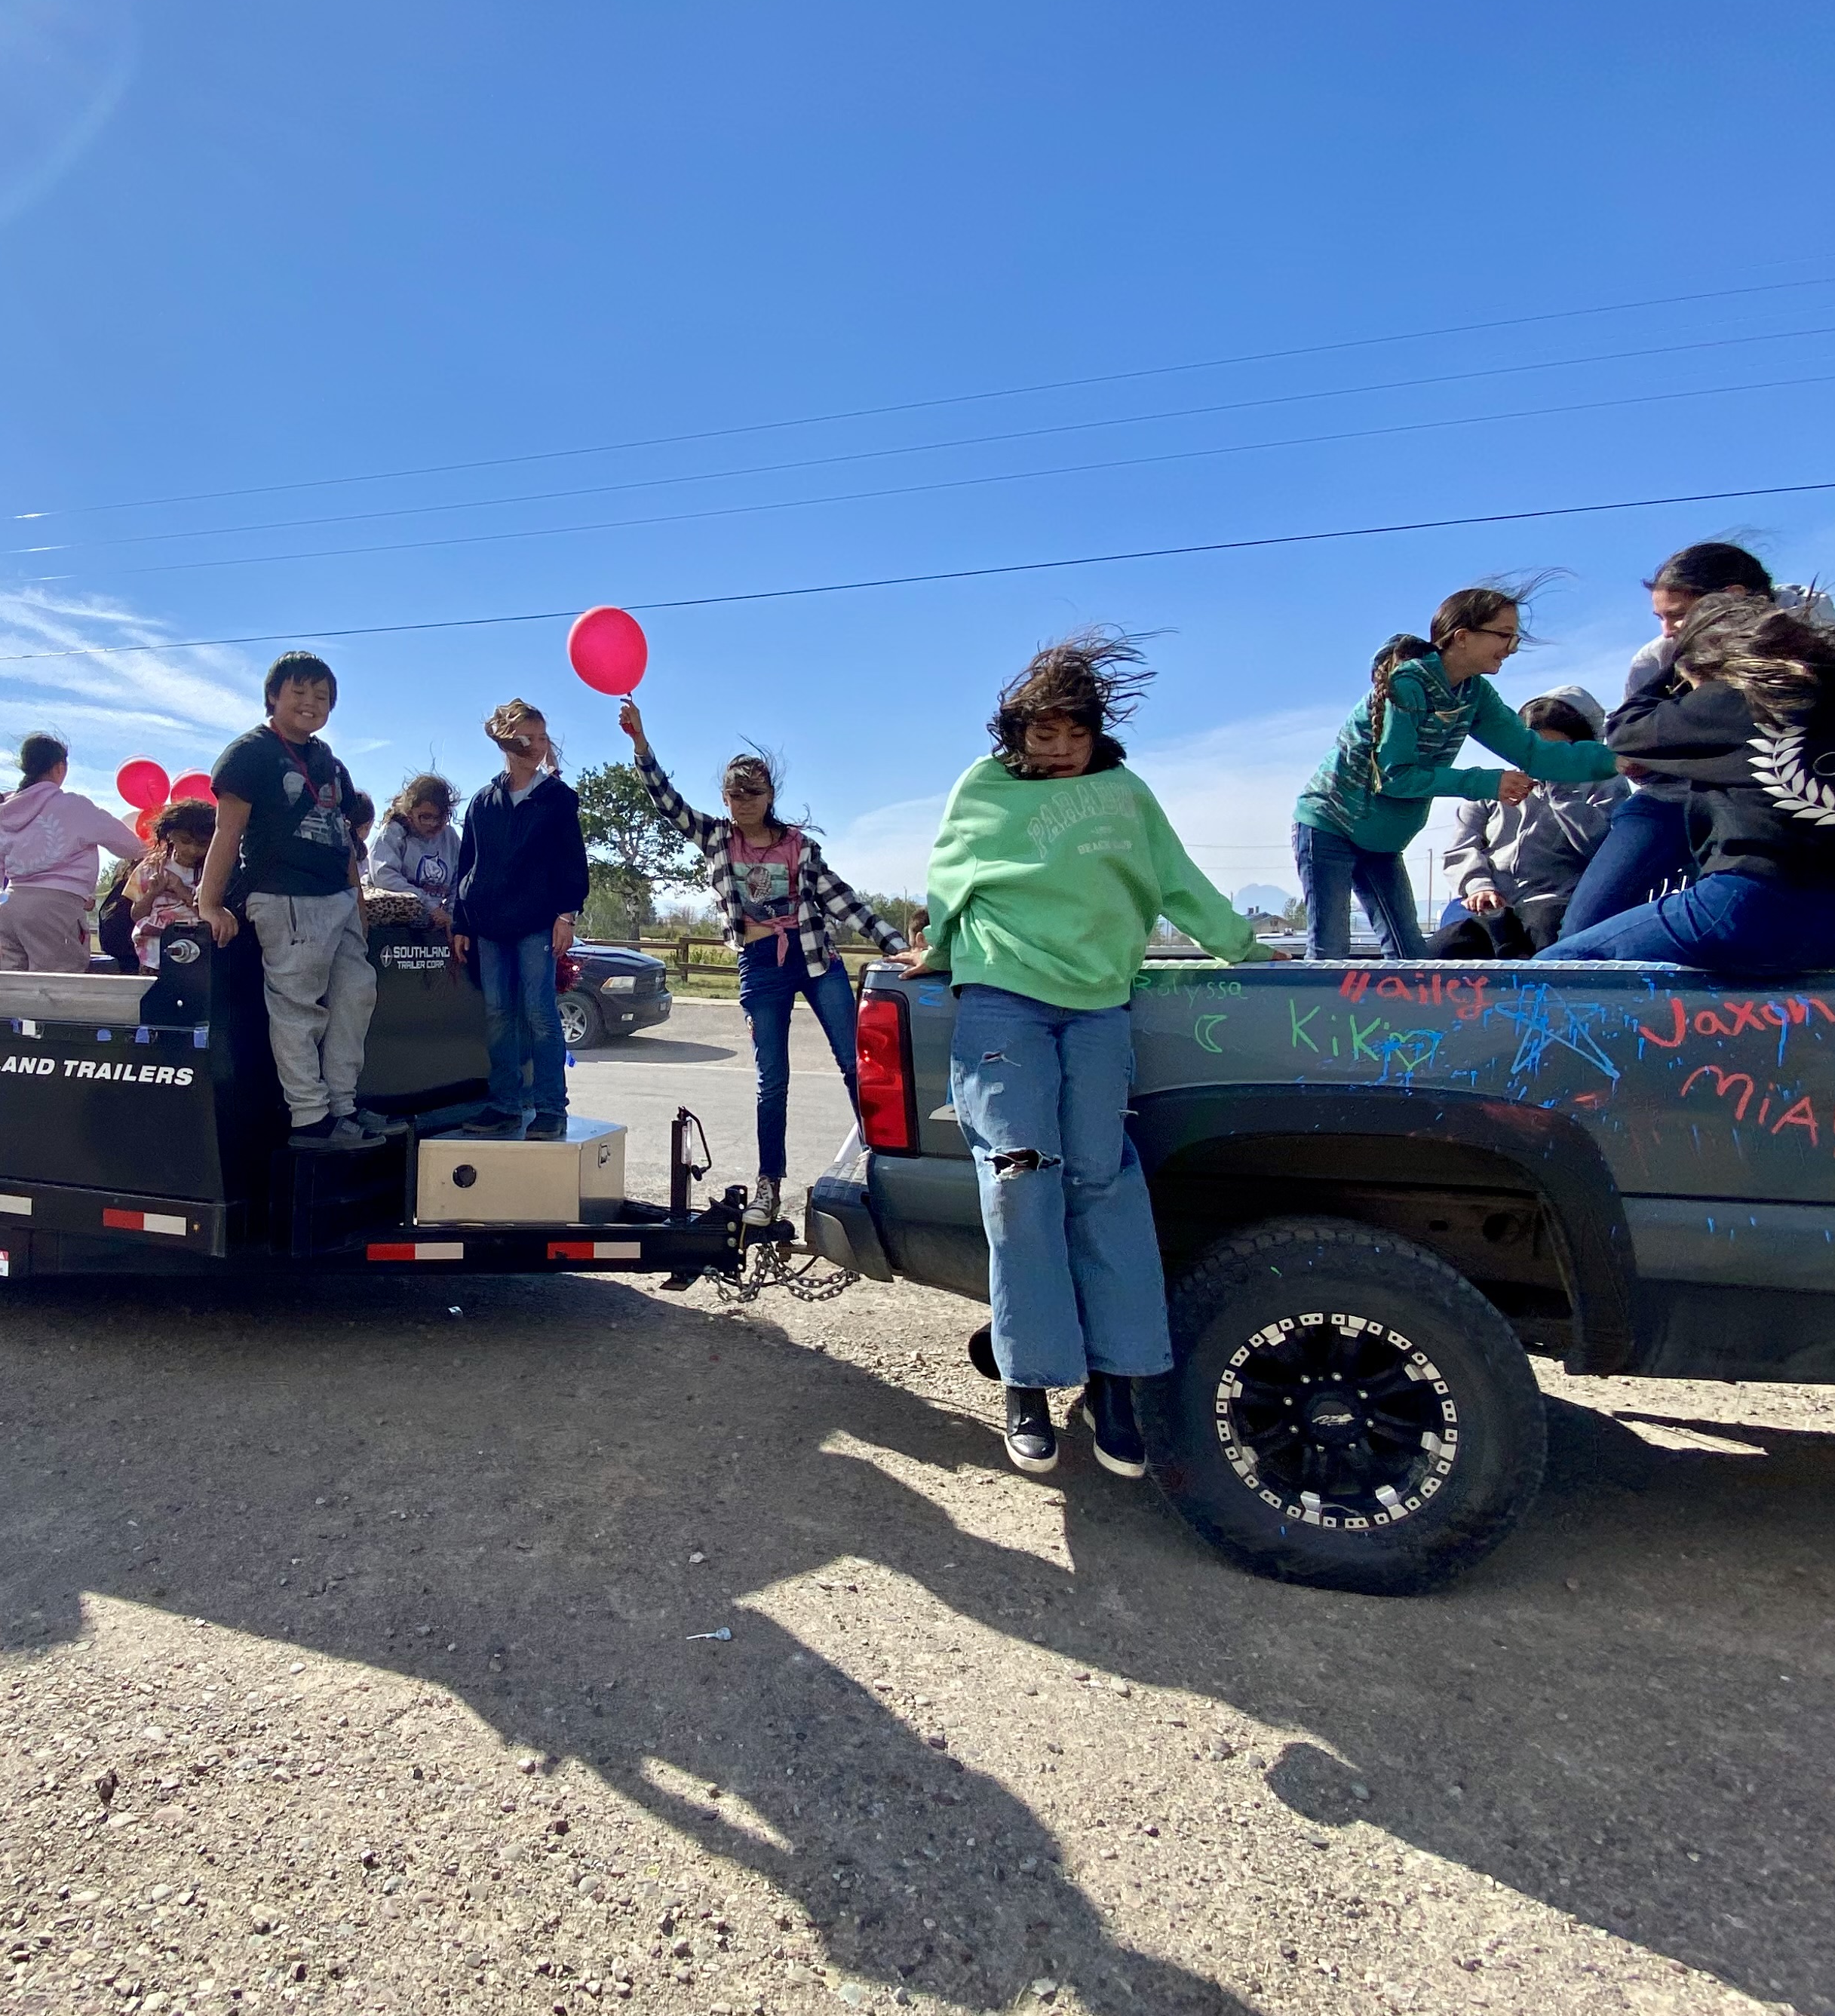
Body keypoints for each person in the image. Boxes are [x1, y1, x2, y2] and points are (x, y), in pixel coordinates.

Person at [916, 631, 1268, 1481]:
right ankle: (1030, 1382)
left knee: (1102, 1182)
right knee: (1019, 1175)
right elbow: (949, 876)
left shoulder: (1125, 792)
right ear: (1017, 733)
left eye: (1076, 734)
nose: (1062, 750)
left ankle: (1117, 1382)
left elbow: (1176, 877)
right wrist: (928, 951)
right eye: (1045, 735)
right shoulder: (985, 787)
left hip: (1100, 1003)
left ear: (1095, 732)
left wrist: (1245, 948)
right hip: (1003, 997)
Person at [618, 698, 910, 1223]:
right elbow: (667, 802)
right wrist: (641, 745)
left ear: (770, 795)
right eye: (733, 793)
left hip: (815, 959)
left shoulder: (799, 847)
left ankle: (880, 1165)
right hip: (759, 963)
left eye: (752, 792)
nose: (742, 801)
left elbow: (844, 901)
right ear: (725, 798)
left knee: (854, 1063)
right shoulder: (716, 839)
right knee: (772, 1078)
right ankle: (769, 1186)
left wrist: (895, 944)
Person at [1537, 594, 1835, 979]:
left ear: (1708, 664)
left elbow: (1625, 731)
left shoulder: (1735, 699)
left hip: (1754, 907)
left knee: (1564, 966)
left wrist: (1679, 663)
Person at [1290, 585, 1619, 958]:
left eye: (1515, 639)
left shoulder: (1473, 694)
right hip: (1331, 823)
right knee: (1330, 949)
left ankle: (1407, 1017)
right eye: (1503, 636)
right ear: (1462, 638)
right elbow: (1395, 776)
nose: (1511, 648)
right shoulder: (1408, 684)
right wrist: (1485, 782)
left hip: (1383, 837)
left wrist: (1616, 759)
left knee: (1410, 954)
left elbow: (1533, 753)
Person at [194, 655, 389, 1150]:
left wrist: (358, 904)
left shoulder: (328, 760)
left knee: (355, 997)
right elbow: (228, 830)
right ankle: (309, 1118)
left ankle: (343, 1106)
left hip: (338, 896)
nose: (311, 704)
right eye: (299, 693)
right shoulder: (250, 754)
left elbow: (343, 837)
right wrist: (210, 902)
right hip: (285, 896)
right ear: (273, 697)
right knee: (298, 1009)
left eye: (321, 697)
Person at [1558, 542, 1772, 940]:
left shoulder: (1796, 649)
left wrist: (1679, 747)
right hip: (1671, 799)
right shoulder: (1656, 659)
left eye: (1678, 616)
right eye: (1660, 617)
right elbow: (1628, 739)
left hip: (1761, 803)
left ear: (1732, 600)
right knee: (1583, 925)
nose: (1668, 630)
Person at [449, 700, 590, 1140]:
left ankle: (550, 1109)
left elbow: (572, 865)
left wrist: (566, 915)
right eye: (532, 736)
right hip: (488, 924)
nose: (541, 745)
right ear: (512, 740)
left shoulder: (558, 799)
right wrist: (460, 923)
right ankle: (504, 1105)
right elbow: (467, 863)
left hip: (536, 924)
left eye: (546, 736)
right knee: (498, 1014)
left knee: (540, 1014)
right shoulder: (483, 802)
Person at [1430, 689, 1623, 959]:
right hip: (1486, 900)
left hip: (1554, 902)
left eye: (1557, 751)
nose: (1544, 762)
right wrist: (1479, 885)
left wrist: (1564, 793)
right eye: (1536, 750)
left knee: (1546, 942)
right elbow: (1462, 845)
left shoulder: (1604, 784)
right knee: (1445, 947)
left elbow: (1606, 848)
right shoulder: (1498, 784)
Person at [0, 736, 150, 975]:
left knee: (16, 984)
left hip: (11, 907)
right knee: (60, 986)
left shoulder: (2, 812)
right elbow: (130, 847)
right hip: (58, 906)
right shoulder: (73, 806)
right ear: (59, 767)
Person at [365, 775, 461, 928]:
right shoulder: (392, 833)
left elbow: (459, 883)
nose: (434, 824)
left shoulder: (451, 838)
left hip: (434, 927)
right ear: (410, 814)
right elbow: (383, 877)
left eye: (441, 817)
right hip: (393, 926)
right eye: (426, 817)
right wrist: (430, 906)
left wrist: (450, 918)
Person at [129, 801, 216, 959]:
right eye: (185, 841)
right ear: (170, 835)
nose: (193, 850)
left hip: (199, 952)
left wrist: (182, 891)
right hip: (153, 955)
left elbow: (214, 915)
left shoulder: (214, 871)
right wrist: (152, 893)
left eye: (202, 844)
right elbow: (136, 915)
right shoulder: (150, 867)